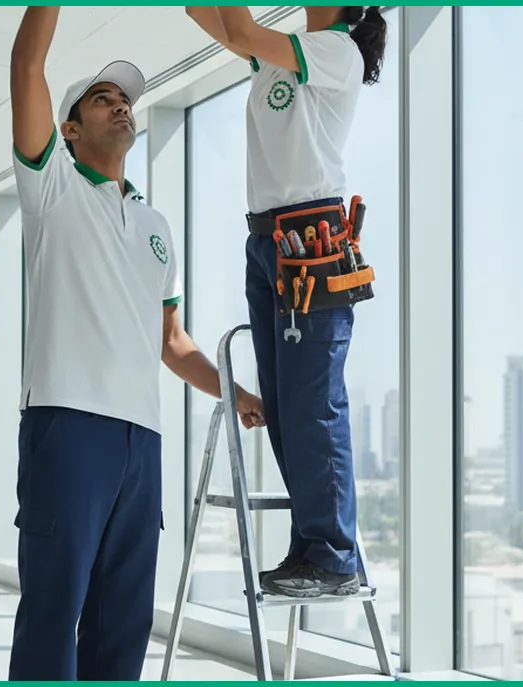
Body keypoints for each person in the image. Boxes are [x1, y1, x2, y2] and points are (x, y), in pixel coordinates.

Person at [7, 6, 265, 681]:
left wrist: (236, 394)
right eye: (102, 99)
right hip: (67, 428)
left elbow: (172, 342)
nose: (121, 108)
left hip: (140, 444)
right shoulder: (51, 188)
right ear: (70, 129)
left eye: (125, 100)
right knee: (52, 614)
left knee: (123, 625)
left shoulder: (155, 225)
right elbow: (26, 68)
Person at [184, 6, 388, 599]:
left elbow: (242, 32)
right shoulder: (285, 51)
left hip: (311, 238)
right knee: (284, 404)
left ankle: (333, 555)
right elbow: (213, 18)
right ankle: (310, 546)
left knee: (313, 402)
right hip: (268, 241)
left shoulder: (336, 50)